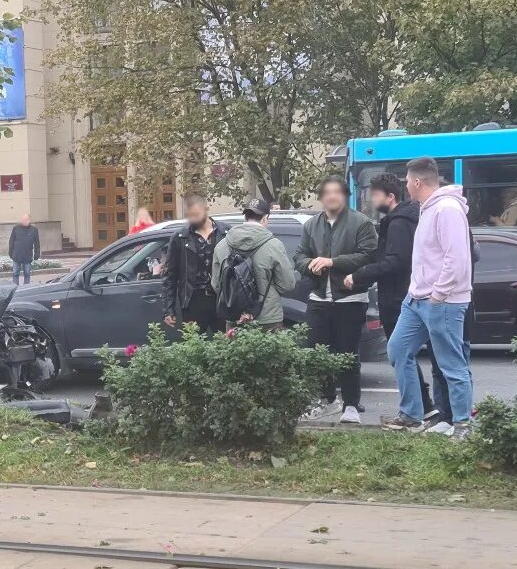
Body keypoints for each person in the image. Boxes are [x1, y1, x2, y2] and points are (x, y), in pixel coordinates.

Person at [384, 157, 474, 439]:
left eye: (408, 181)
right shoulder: (427, 208)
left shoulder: (446, 209)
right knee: (398, 350)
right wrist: (417, 292)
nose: (406, 186)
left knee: (451, 364)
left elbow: (456, 257)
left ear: (418, 182)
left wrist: (438, 293)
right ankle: (412, 414)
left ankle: (462, 425)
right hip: (417, 299)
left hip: (442, 300)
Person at [344, 172, 436, 424]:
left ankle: (418, 410)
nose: (373, 202)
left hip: (398, 297)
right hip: (407, 294)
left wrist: (360, 274)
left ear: (391, 196)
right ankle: (426, 408)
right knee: (406, 354)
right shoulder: (406, 218)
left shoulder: (398, 222)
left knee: (400, 354)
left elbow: (395, 261)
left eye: (376, 196)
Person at [292, 176, 377, 424]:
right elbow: (299, 255)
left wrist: (333, 262)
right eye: (326, 192)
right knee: (319, 353)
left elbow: (368, 256)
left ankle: (351, 405)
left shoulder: (361, 222)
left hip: (351, 299)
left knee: (348, 354)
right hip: (318, 297)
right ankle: (327, 400)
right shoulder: (312, 225)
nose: (331, 196)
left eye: (336, 192)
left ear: (345, 195)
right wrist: (309, 265)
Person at [212, 198, 295, 331]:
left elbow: (216, 285)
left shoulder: (222, 245)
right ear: (265, 218)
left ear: (245, 217)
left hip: (234, 319)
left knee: (236, 352)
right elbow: (287, 284)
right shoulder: (274, 245)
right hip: (268, 319)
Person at [161, 194, 227, 337]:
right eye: (189, 216)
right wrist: (169, 309)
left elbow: (238, 269)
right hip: (193, 300)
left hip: (221, 299)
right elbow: (170, 276)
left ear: (206, 209)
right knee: (193, 346)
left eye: (196, 215)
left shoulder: (226, 233)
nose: (192, 219)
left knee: (227, 345)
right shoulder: (180, 237)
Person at [8, 213, 42, 285]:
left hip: (27, 256)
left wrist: (37, 254)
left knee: (27, 274)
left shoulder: (34, 230)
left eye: (26, 219)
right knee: (15, 273)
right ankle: (15, 288)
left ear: (29, 220)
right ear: (21, 220)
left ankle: (26, 288)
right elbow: (11, 241)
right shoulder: (16, 229)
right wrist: (10, 253)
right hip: (17, 255)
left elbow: (37, 243)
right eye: (23, 219)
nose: (25, 221)